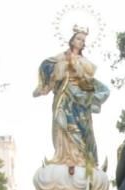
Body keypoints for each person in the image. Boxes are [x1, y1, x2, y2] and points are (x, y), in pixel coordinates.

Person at [34, 27, 110, 172]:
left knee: (81, 126)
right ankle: (64, 156)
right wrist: (62, 67)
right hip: (64, 94)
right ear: (71, 40)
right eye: (78, 38)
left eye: (83, 40)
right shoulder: (61, 57)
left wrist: (76, 66)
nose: (80, 42)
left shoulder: (85, 61)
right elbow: (48, 66)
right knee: (61, 122)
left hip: (80, 98)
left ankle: (81, 157)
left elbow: (88, 79)